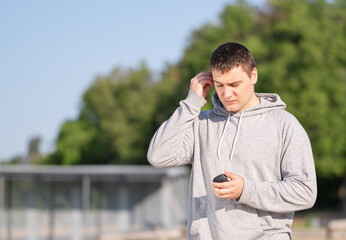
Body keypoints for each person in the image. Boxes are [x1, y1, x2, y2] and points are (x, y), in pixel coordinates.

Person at [147, 42, 317, 240]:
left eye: (234, 85)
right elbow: (158, 156)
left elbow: (305, 192)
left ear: (253, 75)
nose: (226, 94)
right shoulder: (202, 123)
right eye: (219, 85)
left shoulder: (284, 124)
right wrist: (191, 103)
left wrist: (246, 190)